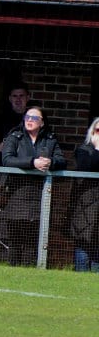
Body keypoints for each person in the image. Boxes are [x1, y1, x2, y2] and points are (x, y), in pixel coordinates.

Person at [0, 106, 66, 266]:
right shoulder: (15, 136)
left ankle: (29, 272)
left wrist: (51, 162)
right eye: (27, 117)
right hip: (17, 194)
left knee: (32, 241)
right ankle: (12, 271)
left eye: (34, 118)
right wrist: (32, 163)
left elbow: (62, 161)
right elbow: (7, 159)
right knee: (15, 240)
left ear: (42, 122)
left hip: (39, 195)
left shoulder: (50, 139)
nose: (30, 120)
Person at [69, 117, 99, 272]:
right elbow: (87, 166)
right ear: (92, 132)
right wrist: (97, 148)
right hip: (85, 207)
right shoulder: (83, 150)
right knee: (83, 247)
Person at [0, 82, 31, 150]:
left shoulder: (34, 117)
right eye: (15, 96)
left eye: (21, 96)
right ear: (10, 98)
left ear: (28, 98)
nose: (18, 99)